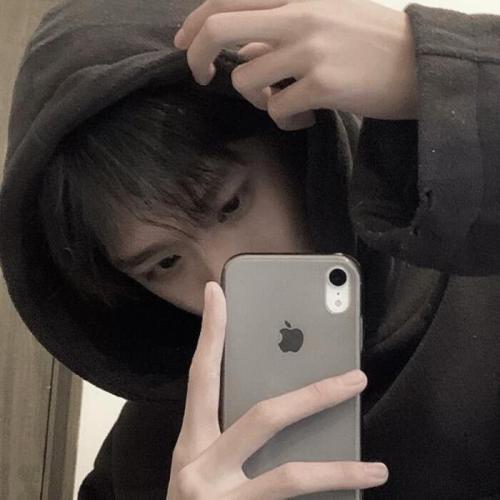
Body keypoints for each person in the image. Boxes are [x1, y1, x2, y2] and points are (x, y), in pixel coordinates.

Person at [0, 0, 499, 498]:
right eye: (165, 263)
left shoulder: (484, 287)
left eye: (230, 205)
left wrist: (443, 71)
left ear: (299, 147)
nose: (223, 278)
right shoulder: (153, 450)